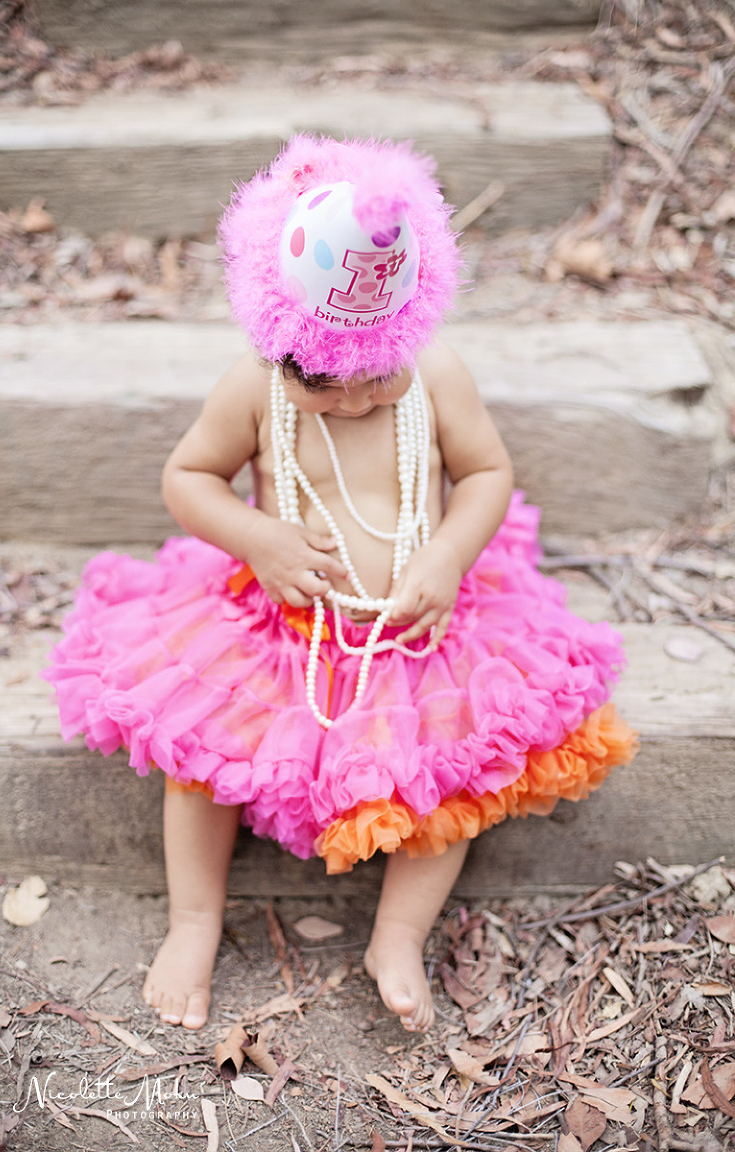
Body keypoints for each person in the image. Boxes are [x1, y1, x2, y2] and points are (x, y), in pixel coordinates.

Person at [44, 135, 637, 1034]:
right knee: (199, 759)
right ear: (277, 341)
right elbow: (187, 478)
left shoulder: (435, 377)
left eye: (377, 379)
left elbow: (485, 475)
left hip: (419, 638)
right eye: (324, 379)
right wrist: (261, 538)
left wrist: (444, 558)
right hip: (282, 634)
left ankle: (396, 933)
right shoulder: (254, 389)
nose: (356, 399)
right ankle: (194, 920)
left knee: (459, 777)